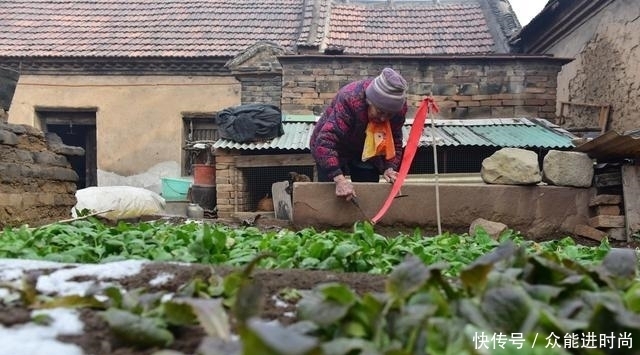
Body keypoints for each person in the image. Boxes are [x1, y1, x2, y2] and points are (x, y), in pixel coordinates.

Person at [309, 67, 408, 201]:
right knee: (332, 193)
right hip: (333, 147)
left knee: (366, 191)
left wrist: (390, 168)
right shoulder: (350, 100)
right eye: (380, 112)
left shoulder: (398, 111)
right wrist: (339, 179)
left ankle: (364, 219)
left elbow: (394, 140)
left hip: (368, 149)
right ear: (369, 102)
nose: (384, 119)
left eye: (389, 114)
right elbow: (325, 143)